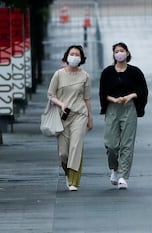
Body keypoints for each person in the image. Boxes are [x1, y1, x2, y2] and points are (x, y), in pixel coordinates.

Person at [99, 42, 148, 189]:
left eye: (122, 50)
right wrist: (114, 99)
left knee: (127, 143)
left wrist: (130, 96)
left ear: (127, 53)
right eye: (116, 51)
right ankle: (114, 168)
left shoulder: (135, 72)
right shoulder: (107, 72)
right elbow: (102, 93)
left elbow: (143, 90)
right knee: (111, 145)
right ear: (113, 54)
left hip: (129, 108)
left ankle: (123, 176)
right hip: (112, 109)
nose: (119, 53)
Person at [48, 45, 93, 191]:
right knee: (63, 153)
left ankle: (74, 181)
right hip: (63, 117)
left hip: (80, 114)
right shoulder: (59, 74)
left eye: (77, 54)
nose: (74, 56)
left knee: (76, 146)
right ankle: (68, 173)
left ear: (81, 58)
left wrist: (90, 118)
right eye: (71, 54)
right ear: (67, 56)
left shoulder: (85, 76)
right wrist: (61, 104)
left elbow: (87, 99)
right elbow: (51, 95)